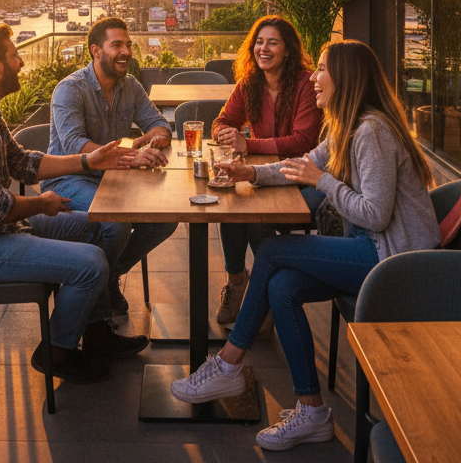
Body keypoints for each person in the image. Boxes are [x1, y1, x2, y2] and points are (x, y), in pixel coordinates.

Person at [171, 39, 440, 451]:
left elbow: (375, 215)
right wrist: (251, 173)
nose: (314, 77)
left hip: (394, 262)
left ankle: (228, 363)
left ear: (345, 78)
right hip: (370, 249)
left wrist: (323, 182)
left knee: (272, 252)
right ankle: (312, 410)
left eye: (323, 70)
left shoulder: (372, 132)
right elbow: (302, 165)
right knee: (282, 286)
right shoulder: (347, 125)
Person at [0, 24, 164, 383]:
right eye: (14, 56)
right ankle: (57, 351)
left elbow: (24, 163)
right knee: (92, 263)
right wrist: (41, 203)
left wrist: (87, 162)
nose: (20, 62)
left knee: (99, 224)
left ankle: (96, 334)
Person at [42, 17, 179, 316]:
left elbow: (159, 125)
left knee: (166, 220)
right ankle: (100, 298)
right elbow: (75, 145)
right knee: (115, 223)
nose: (126, 52)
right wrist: (131, 155)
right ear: (96, 51)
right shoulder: (70, 89)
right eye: (116, 45)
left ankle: (105, 279)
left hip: (115, 178)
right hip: (69, 178)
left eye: (128, 45)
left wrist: (147, 141)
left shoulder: (130, 86)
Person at [209, 15, 321, 327]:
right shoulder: (250, 83)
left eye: (273, 42)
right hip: (262, 174)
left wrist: (250, 145)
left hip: (299, 175)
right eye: (259, 42)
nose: (264, 48)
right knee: (229, 207)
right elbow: (223, 120)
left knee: (255, 220)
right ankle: (237, 281)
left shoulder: (305, 84)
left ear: (288, 50)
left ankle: (267, 291)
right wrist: (225, 134)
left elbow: (302, 141)